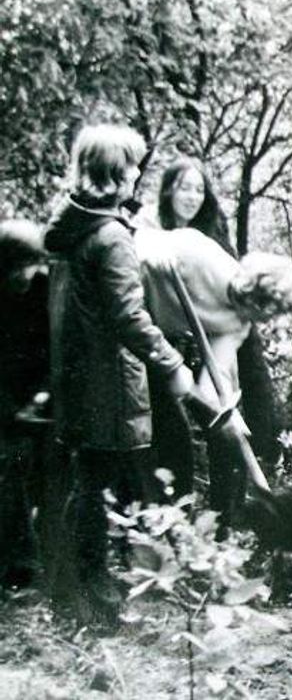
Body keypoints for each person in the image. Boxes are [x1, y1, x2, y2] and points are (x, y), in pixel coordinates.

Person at [44, 124, 197, 625]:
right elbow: (129, 318)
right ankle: (100, 599)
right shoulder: (109, 238)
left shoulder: (72, 227)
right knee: (106, 486)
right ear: (113, 174)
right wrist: (172, 364)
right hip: (109, 382)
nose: (137, 174)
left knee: (92, 482)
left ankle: (92, 590)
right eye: (131, 166)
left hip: (78, 377)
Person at [133, 226, 292, 523]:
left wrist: (225, 416)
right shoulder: (200, 255)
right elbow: (140, 247)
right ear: (261, 297)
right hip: (131, 321)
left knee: (198, 435)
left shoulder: (240, 324)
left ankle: (199, 526)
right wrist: (157, 262)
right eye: (273, 312)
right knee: (171, 435)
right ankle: (159, 523)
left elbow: (214, 376)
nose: (271, 320)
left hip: (159, 345)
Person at [146, 158, 285, 490]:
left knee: (224, 422)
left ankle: (230, 512)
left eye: (199, 189)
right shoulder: (150, 228)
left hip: (211, 336)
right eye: (184, 189)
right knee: (171, 429)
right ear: (167, 192)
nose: (192, 197)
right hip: (162, 338)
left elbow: (234, 328)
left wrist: (222, 407)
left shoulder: (212, 236)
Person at [0, 220, 51, 588]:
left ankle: (44, 555)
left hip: (38, 396)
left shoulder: (44, 290)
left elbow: (58, 350)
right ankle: (20, 561)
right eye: (20, 269)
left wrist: (44, 395)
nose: (28, 276)